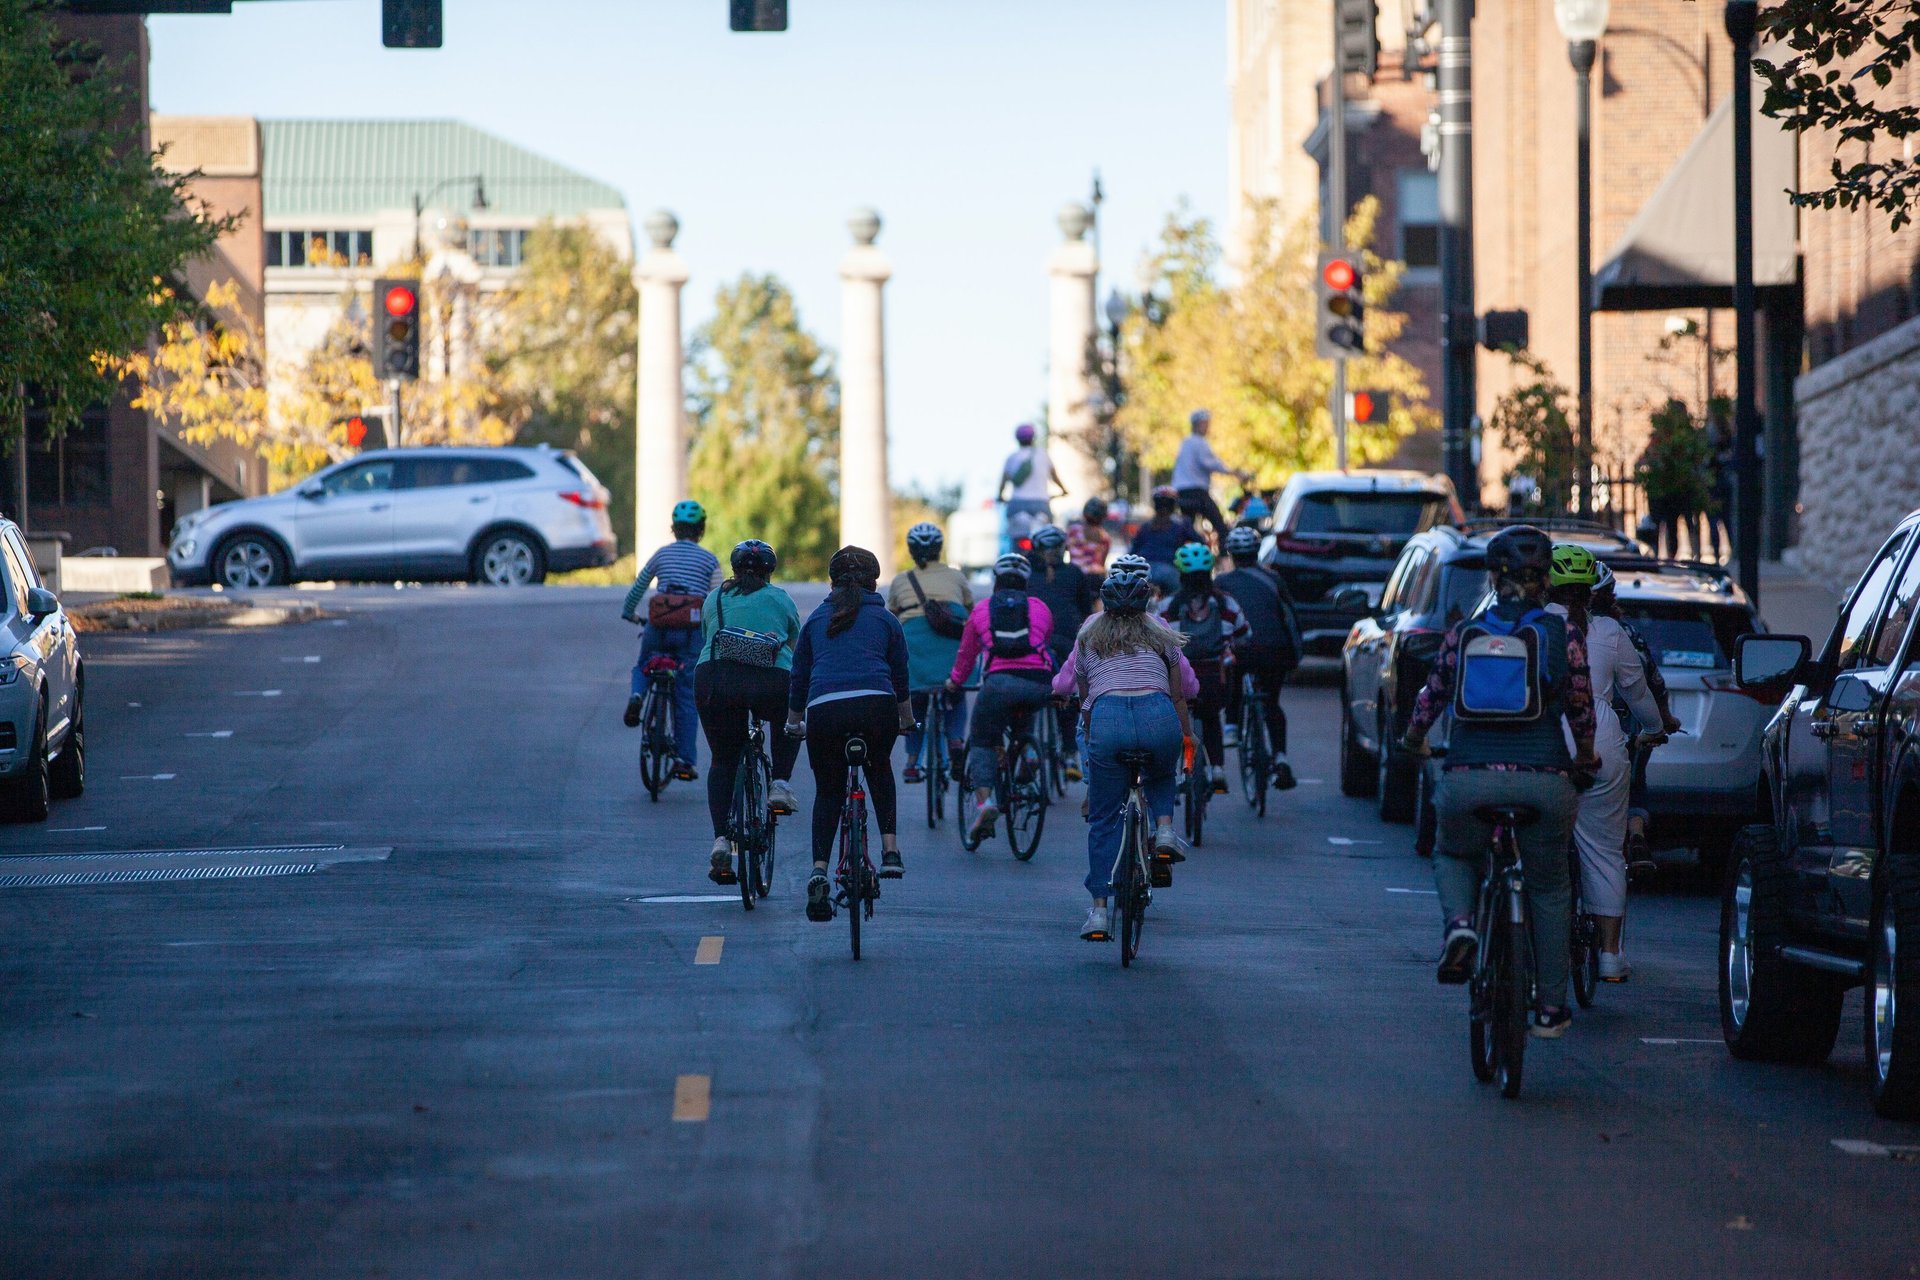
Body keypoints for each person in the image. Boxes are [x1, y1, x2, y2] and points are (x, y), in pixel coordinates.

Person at [1401, 525, 1598, 1039]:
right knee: (1550, 887)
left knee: (1454, 853)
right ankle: (1551, 1009)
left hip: (1470, 778)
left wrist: (1414, 738)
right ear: (1546, 582)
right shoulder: (1563, 635)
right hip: (1545, 781)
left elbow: (1431, 696)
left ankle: (1462, 925)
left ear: (1494, 575)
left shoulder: (1466, 634)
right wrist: (1586, 756)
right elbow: (1580, 704)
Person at [1053, 569, 1199, 940]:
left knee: (1103, 820)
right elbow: (1179, 695)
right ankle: (1164, 829)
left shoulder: (1088, 637)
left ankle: (1100, 912)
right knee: (1161, 771)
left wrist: (1092, 741)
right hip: (1158, 715)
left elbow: (1086, 702)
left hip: (1108, 719)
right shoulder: (1162, 635)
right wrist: (1187, 736)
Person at [1544, 544, 1663, 982]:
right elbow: (1638, 694)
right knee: (1606, 855)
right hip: (1604, 745)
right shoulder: (1612, 632)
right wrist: (1654, 729)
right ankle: (1610, 956)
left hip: (1545, 746)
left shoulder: (1533, 629)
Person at [786, 546, 914, 922]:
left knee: (829, 790)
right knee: (878, 770)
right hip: (877, 708)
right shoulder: (888, 621)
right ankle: (890, 853)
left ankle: (819, 870)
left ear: (831, 581)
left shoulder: (816, 620)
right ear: (874, 582)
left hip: (825, 711)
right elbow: (901, 678)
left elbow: (799, 678)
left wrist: (794, 723)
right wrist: (905, 720)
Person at [694, 540, 803, 884]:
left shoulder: (715, 598)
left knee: (723, 760)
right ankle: (780, 784)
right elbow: (793, 642)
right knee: (787, 724)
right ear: (769, 572)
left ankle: (721, 839)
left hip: (715, 679)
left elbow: (707, 637)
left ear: (734, 569)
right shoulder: (780, 598)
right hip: (770, 678)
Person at [946, 552, 1055, 842]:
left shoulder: (981, 610)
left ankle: (985, 803)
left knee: (982, 738)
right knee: (1026, 713)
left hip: (998, 685)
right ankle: (1029, 754)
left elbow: (966, 657)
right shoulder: (1040, 608)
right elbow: (1045, 644)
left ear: (995, 581)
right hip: (1039, 683)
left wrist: (954, 683)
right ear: (1026, 582)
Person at [1588, 562, 1683, 876]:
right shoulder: (1622, 632)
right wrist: (1663, 720)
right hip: (1622, 723)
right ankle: (1637, 834)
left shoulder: (1551, 627)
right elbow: (1651, 681)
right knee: (1633, 779)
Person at [621, 499, 721, 781]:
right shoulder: (709, 560)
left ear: (673, 529)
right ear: (701, 530)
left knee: (644, 665)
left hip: (659, 622)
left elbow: (639, 585)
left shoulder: (662, 555)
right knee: (686, 693)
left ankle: (637, 695)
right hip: (691, 629)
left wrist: (629, 613)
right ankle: (684, 760)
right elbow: (715, 599)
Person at [1157, 541, 1249, 794]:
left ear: (1180, 574)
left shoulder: (1168, 607)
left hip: (1180, 677)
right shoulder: (1226, 604)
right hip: (1215, 678)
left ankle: (1180, 770)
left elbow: (1156, 642)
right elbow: (1244, 633)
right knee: (1211, 720)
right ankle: (1217, 769)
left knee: (1177, 721)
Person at [1216, 524, 1303, 789]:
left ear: (1230, 553)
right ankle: (1281, 758)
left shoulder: (1220, 583)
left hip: (1240, 650)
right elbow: (1291, 618)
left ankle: (1230, 727)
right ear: (1257, 552)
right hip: (1275, 650)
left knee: (1232, 675)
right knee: (1272, 703)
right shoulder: (1274, 579)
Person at [886, 521, 973, 785]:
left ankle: (912, 764)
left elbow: (892, 615)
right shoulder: (956, 577)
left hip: (915, 648)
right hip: (950, 646)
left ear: (912, 552)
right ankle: (956, 742)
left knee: (915, 702)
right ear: (939, 549)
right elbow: (969, 609)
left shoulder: (901, 581)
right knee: (955, 693)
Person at [1027, 524, 1096, 780]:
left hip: (1035, 644)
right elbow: (1087, 611)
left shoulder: (1026, 574)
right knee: (1066, 696)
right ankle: (1068, 753)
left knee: (1032, 695)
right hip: (1067, 642)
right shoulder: (1075, 573)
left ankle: (1028, 752)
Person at [1172, 409, 1253, 544]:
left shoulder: (1186, 442)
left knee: (1186, 529)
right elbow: (1211, 463)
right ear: (1197, 424)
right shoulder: (1199, 442)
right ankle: (1224, 556)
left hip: (1182, 492)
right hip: (1196, 491)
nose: (1207, 427)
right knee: (1220, 526)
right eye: (1205, 424)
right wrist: (1234, 473)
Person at [997, 423, 1067, 547]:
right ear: (1033, 438)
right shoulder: (1043, 455)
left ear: (1017, 439)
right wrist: (1064, 490)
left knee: (1014, 539)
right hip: (1040, 504)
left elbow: (1003, 483)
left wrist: (1000, 496)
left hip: (1017, 505)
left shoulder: (1012, 458)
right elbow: (1055, 477)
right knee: (1048, 536)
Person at [1128, 487, 1197, 597]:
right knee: (1177, 600)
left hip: (1143, 571)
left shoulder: (1145, 526)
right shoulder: (1182, 524)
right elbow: (1198, 542)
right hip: (1170, 571)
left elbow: (1132, 551)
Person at [1066, 497, 1114, 588]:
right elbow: (1102, 563)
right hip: (1095, 578)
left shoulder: (1073, 531)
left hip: (1074, 576)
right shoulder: (1105, 538)